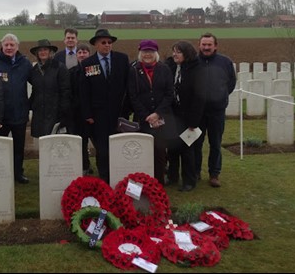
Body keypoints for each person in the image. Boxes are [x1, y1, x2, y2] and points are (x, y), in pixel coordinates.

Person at [79, 28, 130, 183]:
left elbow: (128, 86)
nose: (107, 45)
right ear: (96, 44)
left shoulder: (122, 59)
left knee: (118, 146)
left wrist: (126, 110)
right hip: (97, 114)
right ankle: (104, 177)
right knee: (102, 149)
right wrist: (87, 114)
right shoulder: (88, 64)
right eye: (103, 42)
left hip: (118, 113)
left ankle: (119, 174)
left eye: (109, 42)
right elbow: (84, 90)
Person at [126, 39, 175, 185]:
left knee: (159, 152)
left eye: (151, 52)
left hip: (160, 118)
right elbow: (132, 96)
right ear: (140, 53)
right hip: (143, 118)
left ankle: (158, 182)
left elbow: (169, 93)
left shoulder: (164, 69)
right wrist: (146, 115)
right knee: (142, 152)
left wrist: (157, 113)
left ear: (156, 53)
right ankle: (142, 182)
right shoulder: (133, 70)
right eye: (145, 51)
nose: (148, 54)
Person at [0, 33, 32, 184]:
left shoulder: (24, 63)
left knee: (18, 148)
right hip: (0, 115)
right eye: (6, 45)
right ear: (2, 46)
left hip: (19, 113)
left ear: (17, 47)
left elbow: (38, 83)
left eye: (12, 45)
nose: (9, 47)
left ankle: (18, 173)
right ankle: (0, 173)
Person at [195, 32, 237, 188]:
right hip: (197, 112)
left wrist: (220, 97)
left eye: (209, 45)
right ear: (199, 45)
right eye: (203, 44)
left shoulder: (225, 62)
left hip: (216, 111)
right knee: (195, 143)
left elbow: (231, 83)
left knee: (215, 143)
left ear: (215, 46)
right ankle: (195, 171)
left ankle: (214, 174)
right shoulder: (193, 62)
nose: (206, 47)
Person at [165, 41, 205, 192]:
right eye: (173, 51)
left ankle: (189, 180)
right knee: (172, 148)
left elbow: (199, 97)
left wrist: (194, 121)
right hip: (173, 115)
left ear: (187, 54)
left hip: (189, 116)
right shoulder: (172, 66)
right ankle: (173, 176)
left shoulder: (197, 70)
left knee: (187, 150)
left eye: (178, 52)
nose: (174, 54)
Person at [28, 39, 71, 137]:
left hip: (55, 113)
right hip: (39, 114)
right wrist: (29, 105)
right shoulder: (34, 71)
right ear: (37, 53)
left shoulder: (60, 68)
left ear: (50, 52)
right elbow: (35, 90)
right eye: (40, 50)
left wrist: (63, 113)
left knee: (54, 143)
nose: (43, 52)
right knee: (42, 142)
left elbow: (65, 91)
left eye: (45, 50)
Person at [68, 42, 94, 175]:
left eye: (85, 52)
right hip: (78, 114)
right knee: (81, 142)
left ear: (89, 54)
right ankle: (84, 166)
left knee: (99, 143)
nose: (82, 54)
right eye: (80, 52)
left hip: (95, 114)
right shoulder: (72, 72)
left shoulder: (95, 70)